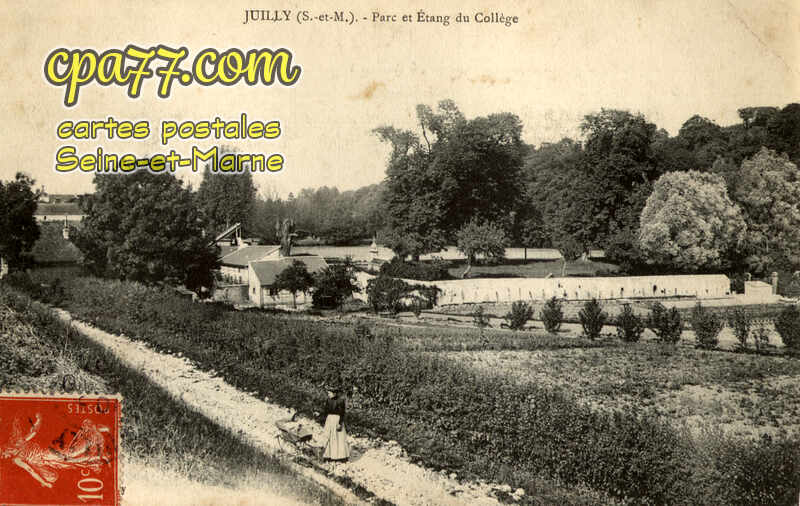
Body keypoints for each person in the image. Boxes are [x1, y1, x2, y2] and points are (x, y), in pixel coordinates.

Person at [320, 385, 350, 462]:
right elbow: (325, 411)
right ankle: (328, 455)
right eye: (328, 393)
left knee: (338, 438)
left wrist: (340, 423)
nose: (328, 394)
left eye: (329, 393)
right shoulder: (328, 400)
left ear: (334, 393)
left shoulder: (340, 401)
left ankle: (340, 456)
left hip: (337, 420)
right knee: (328, 437)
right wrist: (320, 415)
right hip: (329, 420)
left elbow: (342, 413)